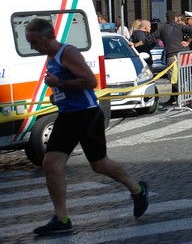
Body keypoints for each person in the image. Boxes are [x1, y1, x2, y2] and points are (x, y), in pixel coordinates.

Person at [25, 18, 148, 236]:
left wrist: (60, 84)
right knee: (51, 164)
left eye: (33, 41)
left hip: (86, 115)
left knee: (99, 164)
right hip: (66, 116)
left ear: (46, 37)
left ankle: (137, 189)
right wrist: (58, 97)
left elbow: (90, 82)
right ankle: (61, 218)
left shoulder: (68, 53)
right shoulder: (50, 56)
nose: (32, 46)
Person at [135, 10, 192, 105]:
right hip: (184, 55)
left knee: (173, 78)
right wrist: (188, 41)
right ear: (175, 18)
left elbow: (148, 39)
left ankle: (186, 95)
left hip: (171, 56)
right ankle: (187, 95)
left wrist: (135, 45)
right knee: (184, 76)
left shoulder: (162, 29)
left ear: (166, 18)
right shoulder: (180, 26)